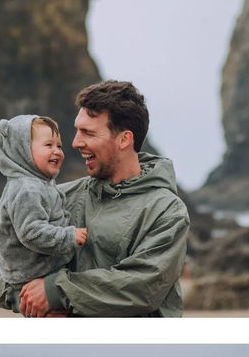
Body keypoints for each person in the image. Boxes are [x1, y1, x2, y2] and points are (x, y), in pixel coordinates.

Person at [19, 80, 190, 317]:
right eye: (78, 130)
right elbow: (9, 260)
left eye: (88, 132)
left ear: (124, 139)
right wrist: (42, 307)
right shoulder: (60, 197)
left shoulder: (167, 211)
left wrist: (56, 291)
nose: (75, 142)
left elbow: (143, 287)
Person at [0, 114, 88, 314]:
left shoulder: (42, 185)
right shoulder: (27, 189)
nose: (57, 151)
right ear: (23, 151)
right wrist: (69, 236)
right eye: (48, 145)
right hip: (26, 281)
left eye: (59, 146)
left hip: (39, 271)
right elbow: (31, 232)